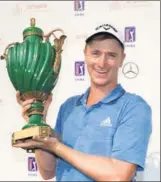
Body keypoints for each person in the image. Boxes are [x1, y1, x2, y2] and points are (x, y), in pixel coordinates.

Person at [14, 23, 152, 181]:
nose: (102, 63)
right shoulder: (69, 107)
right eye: (96, 53)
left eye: (111, 55)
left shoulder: (134, 107)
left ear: (122, 59)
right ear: (85, 54)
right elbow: (48, 171)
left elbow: (119, 175)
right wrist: (39, 124)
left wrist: (57, 147)